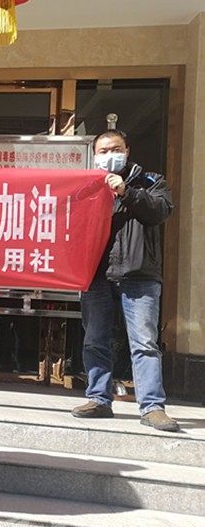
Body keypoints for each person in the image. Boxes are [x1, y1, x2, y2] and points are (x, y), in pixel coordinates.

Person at [71, 130, 179, 432]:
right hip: (96, 275)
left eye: (115, 149)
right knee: (94, 340)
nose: (109, 155)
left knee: (144, 344)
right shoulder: (86, 185)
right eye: (103, 151)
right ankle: (98, 399)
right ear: (94, 155)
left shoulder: (151, 181)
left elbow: (159, 212)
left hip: (139, 275)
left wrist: (125, 192)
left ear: (127, 151)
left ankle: (152, 407)